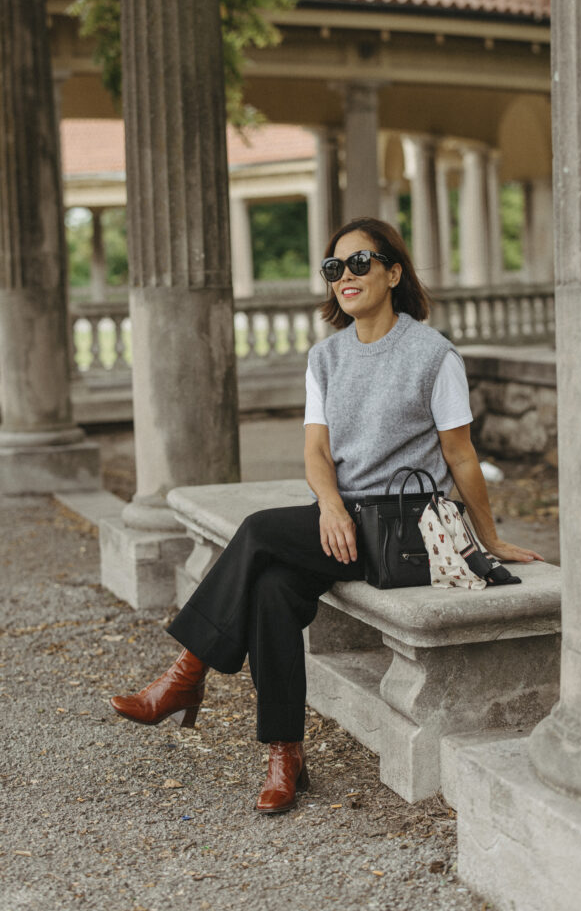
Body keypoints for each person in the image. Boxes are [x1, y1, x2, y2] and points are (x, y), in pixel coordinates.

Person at [110, 217, 541, 813]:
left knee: (260, 529)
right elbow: (315, 451)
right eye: (335, 268)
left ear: (393, 272)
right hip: (346, 520)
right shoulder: (327, 357)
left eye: (360, 263)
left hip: (403, 529)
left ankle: (187, 672)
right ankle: (285, 755)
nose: (346, 277)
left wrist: (487, 542)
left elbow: (461, 456)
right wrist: (332, 506)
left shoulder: (433, 355)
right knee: (272, 588)